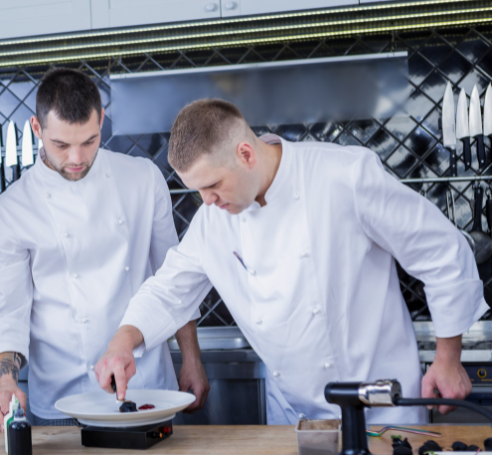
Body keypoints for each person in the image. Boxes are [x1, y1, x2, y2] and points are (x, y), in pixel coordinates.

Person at [95, 98, 487, 425]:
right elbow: (168, 291)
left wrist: (448, 357)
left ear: (245, 154)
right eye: (198, 191)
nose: (207, 202)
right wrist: (122, 342)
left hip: (381, 409)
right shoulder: (213, 220)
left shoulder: (343, 175)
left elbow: (439, 250)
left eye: (212, 185)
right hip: (293, 417)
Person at [0, 68, 210, 429]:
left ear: (102, 120)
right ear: (37, 129)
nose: (77, 157)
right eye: (61, 145)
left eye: (89, 141)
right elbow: (7, 310)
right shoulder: (10, 210)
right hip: (63, 397)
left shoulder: (142, 178)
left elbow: (174, 279)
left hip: (147, 386)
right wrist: (6, 380)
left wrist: (192, 359)